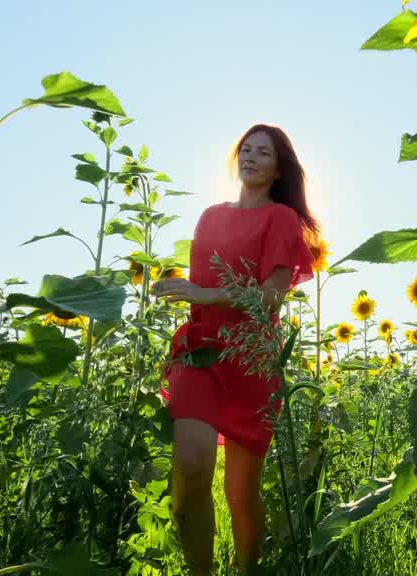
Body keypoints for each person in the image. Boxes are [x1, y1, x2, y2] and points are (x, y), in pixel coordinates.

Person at [152, 124, 318, 575]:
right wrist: (178, 290)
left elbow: (272, 297)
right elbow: (198, 283)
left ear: (278, 167)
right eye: (245, 149)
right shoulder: (209, 216)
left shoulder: (281, 219)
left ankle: (248, 568)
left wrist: (203, 295)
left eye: (262, 153)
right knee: (189, 469)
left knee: (241, 492)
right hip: (199, 352)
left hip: (252, 359)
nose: (250, 158)